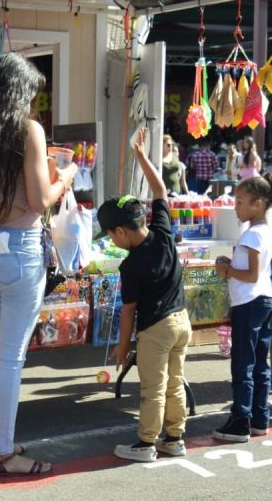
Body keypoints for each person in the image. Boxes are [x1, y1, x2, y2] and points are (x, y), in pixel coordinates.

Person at [0, 53, 77, 476]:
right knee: (9, 357)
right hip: (19, 250)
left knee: (0, 355)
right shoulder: (28, 130)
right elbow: (41, 200)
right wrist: (66, 177)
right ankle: (3, 453)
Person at [99, 127, 192, 462]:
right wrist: (140, 156)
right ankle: (175, 438)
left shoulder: (131, 265)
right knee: (175, 382)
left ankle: (146, 444)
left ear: (121, 231)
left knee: (152, 387)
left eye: (110, 235)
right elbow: (161, 189)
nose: (111, 241)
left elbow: (129, 311)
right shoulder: (164, 232)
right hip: (182, 322)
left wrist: (123, 347)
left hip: (156, 329)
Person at [212, 174, 272, 441]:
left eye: (240, 202)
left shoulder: (252, 234)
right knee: (259, 363)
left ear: (257, 204)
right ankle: (259, 418)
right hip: (266, 299)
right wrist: (231, 267)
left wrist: (226, 269)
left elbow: (250, 275)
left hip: (250, 301)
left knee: (243, 362)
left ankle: (240, 420)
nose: (236, 207)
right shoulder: (265, 232)